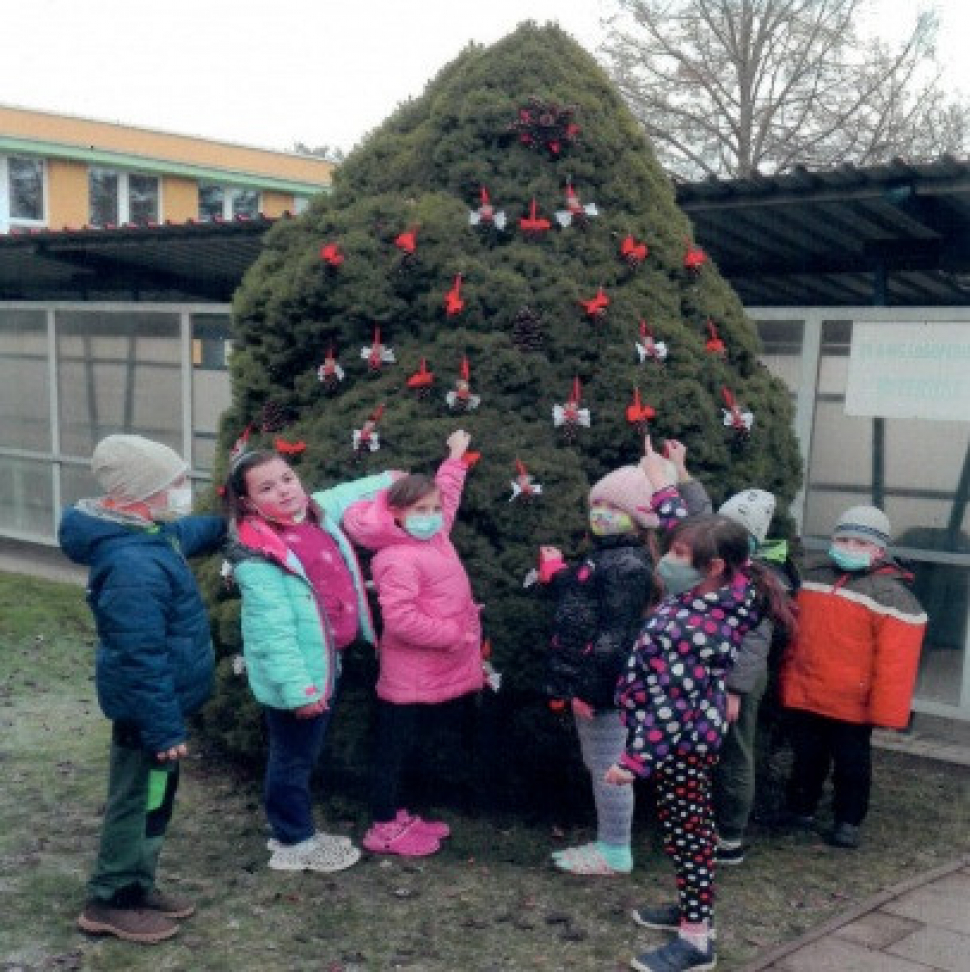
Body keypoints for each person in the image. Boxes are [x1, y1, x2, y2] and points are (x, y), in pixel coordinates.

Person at [605, 441, 796, 972]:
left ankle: (695, 941)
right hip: (687, 733)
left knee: (689, 833)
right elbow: (688, 523)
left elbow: (672, 703)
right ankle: (693, 908)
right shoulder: (728, 585)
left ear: (712, 567)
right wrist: (664, 480)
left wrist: (635, 761)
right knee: (681, 827)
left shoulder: (698, 626)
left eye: (677, 555)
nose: (666, 559)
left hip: (682, 742)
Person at [58, 435, 225, 944]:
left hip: (161, 708)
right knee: (135, 800)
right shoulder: (132, 565)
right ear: (140, 492)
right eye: (175, 483)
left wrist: (233, 520)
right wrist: (162, 726)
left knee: (156, 797)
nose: (182, 492)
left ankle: (137, 884)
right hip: (148, 712)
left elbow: (190, 531)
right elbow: (139, 655)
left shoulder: (149, 532)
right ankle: (108, 900)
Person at [540, 440, 710, 877]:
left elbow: (614, 637)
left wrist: (590, 691)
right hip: (596, 685)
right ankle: (609, 843)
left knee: (609, 766)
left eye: (611, 506)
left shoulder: (627, 566)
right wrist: (558, 576)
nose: (599, 513)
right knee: (601, 763)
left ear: (638, 519)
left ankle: (614, 850)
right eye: (596, 504)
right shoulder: (608, 559)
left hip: (605, 689)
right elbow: (584, 603)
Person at [222, 449, 396, 873]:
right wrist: (300, 690)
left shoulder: (314, 514)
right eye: (267, 488)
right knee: (292, 756)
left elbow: (343, 492)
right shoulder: (260, 556)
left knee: (302, 751)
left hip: (325, 661)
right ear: (247, 503)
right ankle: (293, 836)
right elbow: (272, 637)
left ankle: (293, 827)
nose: (284, 491)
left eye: (287, 479)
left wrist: (388, 478)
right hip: (297, 676)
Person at [341, 430, 483, 857]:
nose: (433, 515)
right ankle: (381, 826)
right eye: (421, 510)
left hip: (433, 671)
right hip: (409, 675)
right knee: (393, 752)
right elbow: (400, 622)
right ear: (396, 514)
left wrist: (455, 456)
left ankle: (400, 815)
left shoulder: (434, 536)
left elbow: (450, 496)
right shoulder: (394, 558)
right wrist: (454, 635)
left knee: (412, 749)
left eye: (434, 509)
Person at [779, 505, 926, 849]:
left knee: (852, 766)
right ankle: (801, 809)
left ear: (879, 550)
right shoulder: (812, 578)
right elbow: (795, 635)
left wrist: (885, 710)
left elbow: (895, 662)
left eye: (860, 542)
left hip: (853, 704)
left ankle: (848, 820)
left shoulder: (893, 596)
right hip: (808, 692)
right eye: (842, 539)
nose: (848, 546)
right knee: (806, 758)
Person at [712, 489, 799, 865]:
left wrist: (735, 689)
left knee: (735, 750)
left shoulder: (758, 583)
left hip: (738, 681)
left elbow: (754, 643)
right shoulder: (721, 569)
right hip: (714, 672)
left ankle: (730, 836)